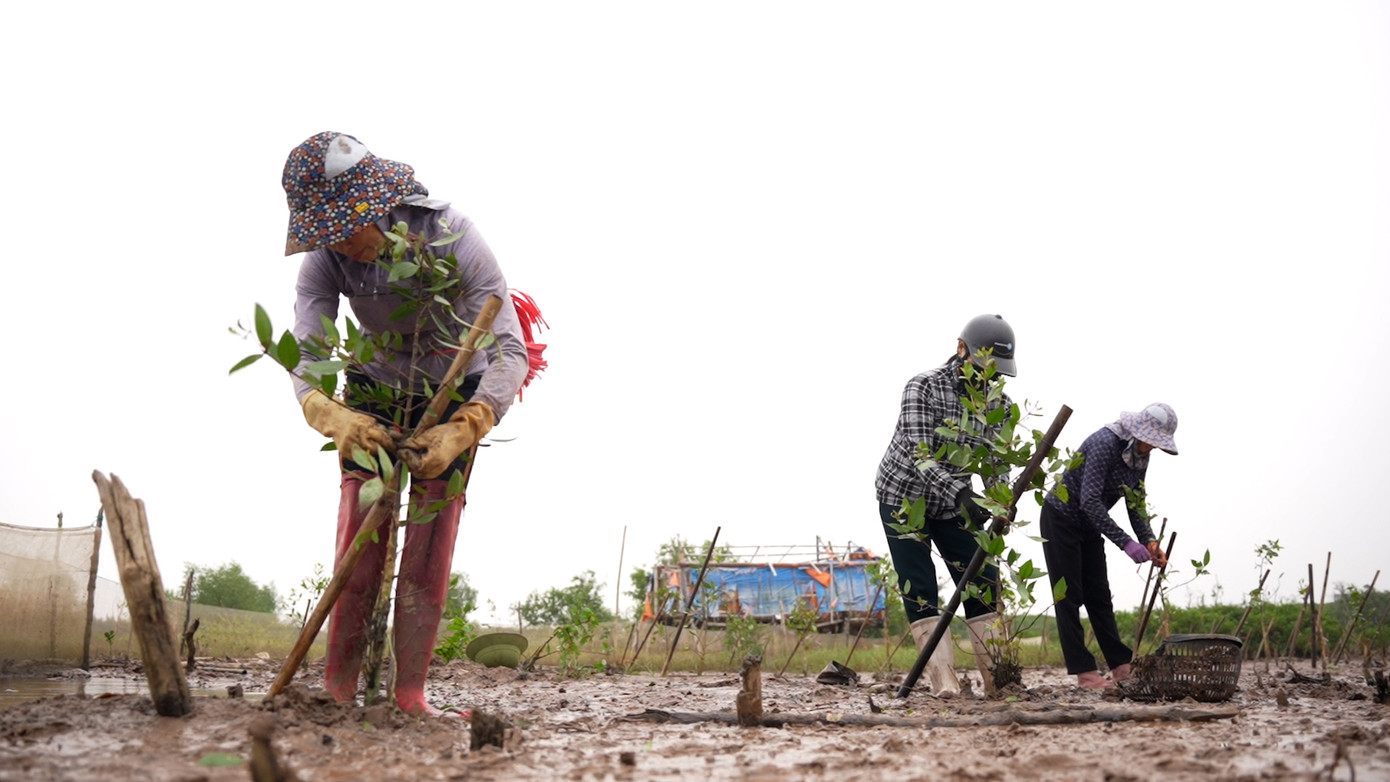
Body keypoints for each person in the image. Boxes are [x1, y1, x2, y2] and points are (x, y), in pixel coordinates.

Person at [281, 131, 533, 715]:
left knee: (431, 533)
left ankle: (409, 692)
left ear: (379, 205)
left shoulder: (452, 234)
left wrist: (467, 425)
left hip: (453, 392)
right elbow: (308, 349)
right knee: (361, 523)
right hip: (373, 391)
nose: (341, 241)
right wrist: (328, 413)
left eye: (349, 226)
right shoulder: (325, 260)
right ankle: (339, 685)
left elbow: (509, 350)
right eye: (328, 231)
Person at [874, 314, 1017, 696]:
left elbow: (997, 462)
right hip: (904, 496)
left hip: (955, 505)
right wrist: (960, 494)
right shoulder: (923, 386)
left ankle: (1000, 681)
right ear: (961, 350)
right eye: (983, 368)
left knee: (983, 580)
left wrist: (1000, 500)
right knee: (920, 587)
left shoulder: (999, 403)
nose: (988, 378)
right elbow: (920, 456)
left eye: (996, 372)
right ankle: (944, 683)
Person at [1040, 403, 1177, 690]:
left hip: (1090, 523)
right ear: (1138, 430)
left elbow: (1136, 503)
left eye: (1156, 443)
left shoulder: (1141, 456)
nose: (1152, 447)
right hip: (1061, 517)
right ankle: (1085, 672)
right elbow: (1089, 501)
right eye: (1150, 440)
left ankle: (1121, 665)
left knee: (1099, 595)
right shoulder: (1105, 442)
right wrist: (1125, 542)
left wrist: (1149, 541)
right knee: (1069, 595)